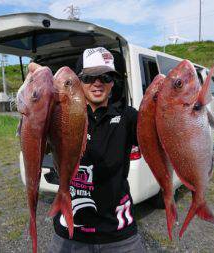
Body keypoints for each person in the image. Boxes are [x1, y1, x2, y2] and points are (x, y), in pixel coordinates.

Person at [48, 47, 146, 253]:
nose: (98, 82)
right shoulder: (60, 114)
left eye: (106, 76)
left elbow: (160, 141)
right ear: (76, 81)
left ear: (113, 82)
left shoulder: (128, 116)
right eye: (89, 77)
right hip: (70, 232)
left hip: (119, 233)